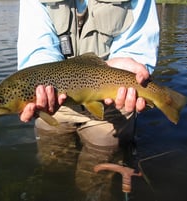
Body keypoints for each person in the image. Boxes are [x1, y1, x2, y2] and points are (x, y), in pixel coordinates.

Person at [17, 0, 159, 200]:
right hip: (54, 102)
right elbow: (37, 45)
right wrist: (37, 85)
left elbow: (138, 41)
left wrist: (126, 67)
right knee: (53, 167)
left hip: (113, 102)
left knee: (96, 179)